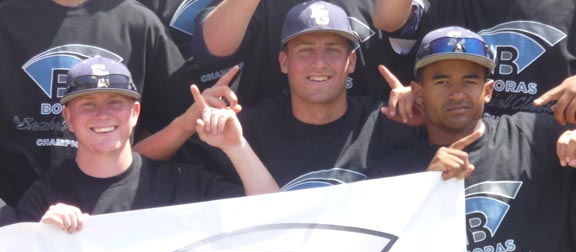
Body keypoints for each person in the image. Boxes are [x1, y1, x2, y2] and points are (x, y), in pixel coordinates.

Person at [372, 26, 576, 252]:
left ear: (488, 90)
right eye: (441, 81)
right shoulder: (391, 174)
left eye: (470, 80)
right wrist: (424, 189)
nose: (457, 93)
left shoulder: (537, 137)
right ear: (418, 92)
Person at [137, 1, 421, 191]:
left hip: (363, 132)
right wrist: (187, 124)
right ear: (283, 61)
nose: (319, 62)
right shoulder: (241, 134)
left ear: (351, 61)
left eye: (333, 51)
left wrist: (421, 106)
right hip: (267, 141)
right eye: (306, 50)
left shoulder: (388, 125)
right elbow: (212, 48)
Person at [15, 56, 279, 233]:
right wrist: (41, 236)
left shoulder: (179, 183)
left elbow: (273, 217)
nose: (103, 114)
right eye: (88, 104)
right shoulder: (47, 196)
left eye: (115, 102)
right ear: (69, 119)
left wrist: (236, 146)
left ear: (135, 113)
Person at [0, 0, 193, 208]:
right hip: (15, 224)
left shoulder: (137, 22)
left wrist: (115, 186)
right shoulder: (6, 19)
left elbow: (176, 121)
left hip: (116, 222)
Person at [373, 0, 576, 121]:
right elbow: (388, 20)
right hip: (463, 150)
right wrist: (423, 95)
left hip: (552, 151)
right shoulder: (446, 4)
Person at [191, 0, 417, 108]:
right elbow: (212, 50)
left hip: (367, 141)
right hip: (271, 145)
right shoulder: (261, 5)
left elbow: (396, 23)